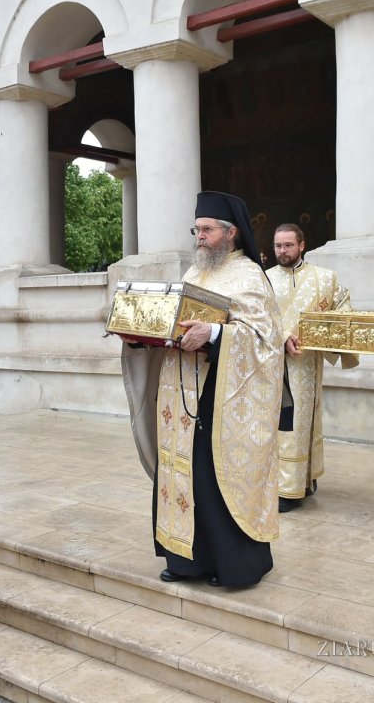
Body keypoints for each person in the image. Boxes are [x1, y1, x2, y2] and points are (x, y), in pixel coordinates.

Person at [119, 191, 284, 587]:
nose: (200, 237)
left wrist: (214, 334)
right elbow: (173, 322)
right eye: (197, 230)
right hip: (182, 395)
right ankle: (185, 561)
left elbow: (266, 341)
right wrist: (140, 337)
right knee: (184, 475)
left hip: (223, 397)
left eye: (207, 230)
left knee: (214, 477)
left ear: (230, 233)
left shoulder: (248, 275)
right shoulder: (195, 274)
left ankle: (233, 565)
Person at [265, 223, 358, 512]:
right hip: (273, 365)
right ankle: (286, 488)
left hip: (307, 366)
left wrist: (326, 336)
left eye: (288, 245)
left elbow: (343, 313)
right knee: (281, 425)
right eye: (278, 245)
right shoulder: (264, 279)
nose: (282, 251)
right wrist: (281, 338)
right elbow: (256, 317)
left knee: (304, 422)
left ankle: (304, 479)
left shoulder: (324, 279)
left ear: (302, 245)